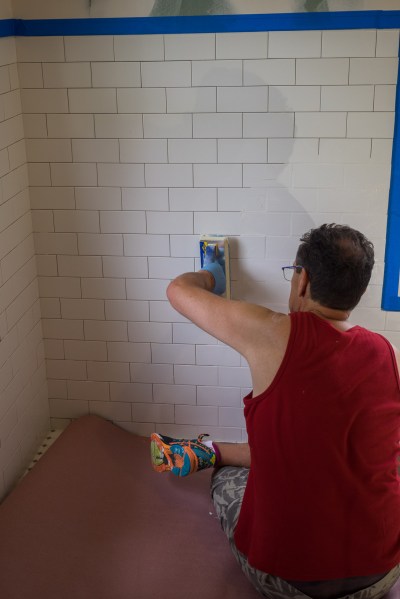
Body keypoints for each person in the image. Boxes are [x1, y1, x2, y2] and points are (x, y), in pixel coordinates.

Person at [150, 224, 400, 599]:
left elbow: (178, 290)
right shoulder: (388, 353)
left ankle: (211, 457)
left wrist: (212, 274)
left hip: (291, 584)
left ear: (303, 280)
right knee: (324, 457)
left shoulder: (272, 331)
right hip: (382, 575)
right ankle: (209, 450)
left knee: (228, 480)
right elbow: (310, 455)